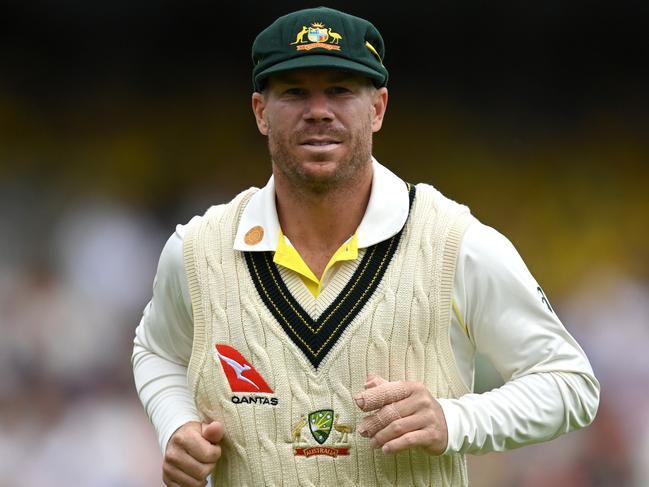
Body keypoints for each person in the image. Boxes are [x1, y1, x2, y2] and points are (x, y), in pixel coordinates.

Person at [132, 6, 600, 486]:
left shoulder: (456, 244)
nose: (318, 111)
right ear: (260, 113)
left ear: (377, 109)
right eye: (294, 92)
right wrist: (176, 426)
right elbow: (156, 351)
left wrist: (454, 420)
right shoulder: (197, 251)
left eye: (340, 90)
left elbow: (570, 383)